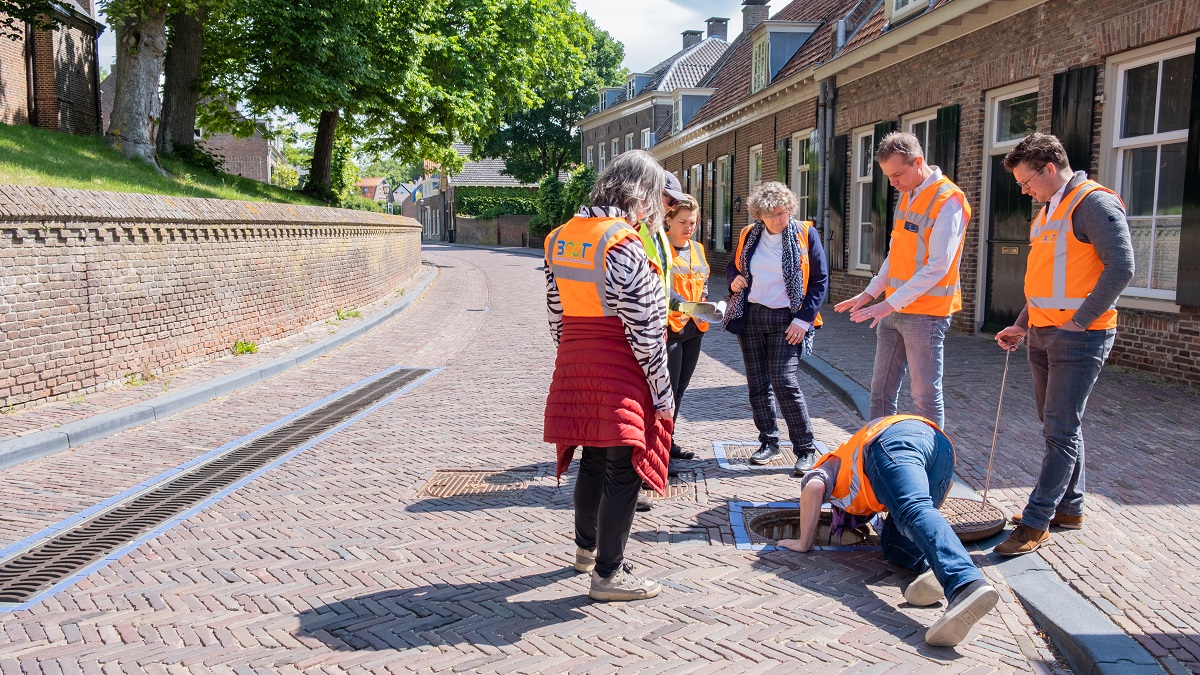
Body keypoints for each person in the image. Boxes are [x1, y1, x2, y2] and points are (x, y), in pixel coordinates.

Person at [992, 132, 1134, 556]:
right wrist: (1022, 324)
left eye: (1026, 181)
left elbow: (1122, 267)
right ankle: (1069, 509)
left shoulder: (1094, 203)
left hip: (1079, 336)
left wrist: (1078, 323)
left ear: (1050, 168)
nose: (1024, 190)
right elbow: (1046, 282)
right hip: (1040, 332)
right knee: (1058, 424)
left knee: (1060, 427)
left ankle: (1036, 521)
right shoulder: (1048, 210)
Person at [543, 150, 675, 601]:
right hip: (619, 364)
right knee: (623, 469)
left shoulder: (560, 237)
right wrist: (662, 393)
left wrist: (573, 358)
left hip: (575, 359)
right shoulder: (624, 243)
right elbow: (645, 331)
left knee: (592, 459)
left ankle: (586, 551)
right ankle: (609, 575)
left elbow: (556, 314)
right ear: (644, 196)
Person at [778, 416, 999, 648]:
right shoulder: (852, 468)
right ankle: (932, 566)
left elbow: (813, 487)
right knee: (895, 539)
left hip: (889, 442)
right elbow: (946, 489)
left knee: (913, 510)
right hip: (940, 446)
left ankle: (965, 584)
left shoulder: (829, 465)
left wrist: (804, 542)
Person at [834, 132, 972, 430]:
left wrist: (888, 304)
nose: (893, 182)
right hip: (893, 309)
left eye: (897, 174)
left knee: (925, 397)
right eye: (888, 176)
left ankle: (932, 457)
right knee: (880, 390)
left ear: (918, 162)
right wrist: (870, 293)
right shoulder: (908, 194)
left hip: (927, 314)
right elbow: (895, 254)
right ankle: (877, 447)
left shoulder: (948, 200)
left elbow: (938, 266)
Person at [723, 182, 828, 475]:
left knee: (784, 381)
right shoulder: (749, 234)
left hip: (788, 319)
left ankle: (805, 448)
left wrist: (803, 320)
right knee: (757, 383)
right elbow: (733, 267)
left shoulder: (805, 234)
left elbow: (819, 280)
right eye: (771, 215)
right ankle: (768, 442)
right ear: (759, 215)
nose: (779, 219)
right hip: (752, 316)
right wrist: (733, 280)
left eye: (783, 212)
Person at [663, 194, 708, 462]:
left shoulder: (698, 248)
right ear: (668, 220)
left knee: (680, 389)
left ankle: (668, 441)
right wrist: (690, 306)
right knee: (666, 391)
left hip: (695, 328)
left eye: (693, 222)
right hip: (671, 327)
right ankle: (659, 448)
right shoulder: (661, 249)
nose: (689, 227)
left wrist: (706, 302)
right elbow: (662, 288)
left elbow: (702, 281)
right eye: (683, 222)